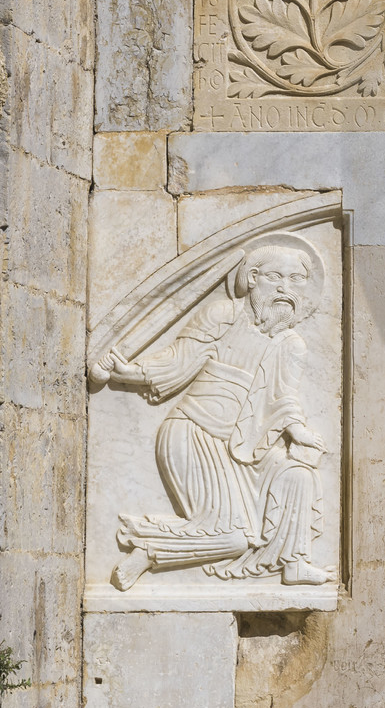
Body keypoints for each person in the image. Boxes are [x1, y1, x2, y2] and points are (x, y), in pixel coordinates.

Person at [91, 235, 332, 589]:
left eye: (296, 280)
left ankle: (293, 562)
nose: (286, 288)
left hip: (248, 445)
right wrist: (125, 372)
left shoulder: (291, 343)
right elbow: (177, 361)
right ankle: (149, 552)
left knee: (300, 474)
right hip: (195, 434)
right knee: (235, 539)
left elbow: (285, 397)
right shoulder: (224, 315)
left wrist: (298, 431)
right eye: (275, 277)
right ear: (252, 278)